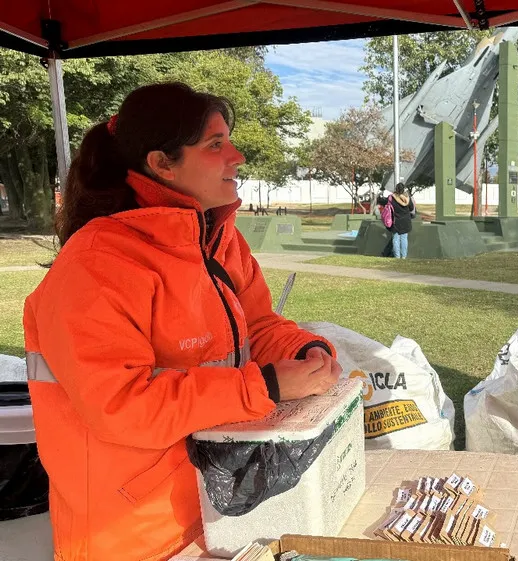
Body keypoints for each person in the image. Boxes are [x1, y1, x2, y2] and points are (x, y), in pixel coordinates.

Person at [22, 82, 343, 561]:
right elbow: (122, 406)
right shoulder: (97, 262)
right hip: (135, 535)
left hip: (221, 505)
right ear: (161, 163)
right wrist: (268, 387)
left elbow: (259, 326)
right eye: (215, 144)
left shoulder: (219, 241)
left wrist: (303, 352)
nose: (236, 156)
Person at [377, 182, 416, 259]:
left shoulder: (391, 198)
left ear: (396, 189)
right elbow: (411, 208)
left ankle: (397, 256)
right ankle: (403, 256)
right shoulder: (408, 198)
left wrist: (379, 195)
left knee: (396, 239)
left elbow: (383, 202)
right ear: (403, 189)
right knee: (404, 239)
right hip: (406, 222)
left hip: (395, 221)